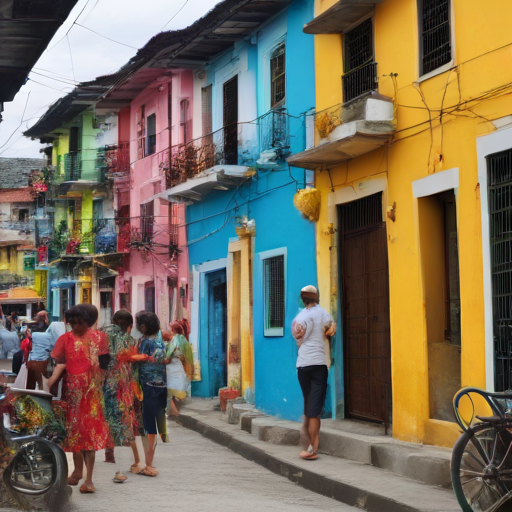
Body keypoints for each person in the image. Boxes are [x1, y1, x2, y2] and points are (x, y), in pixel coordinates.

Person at [48, 305, 110, 494]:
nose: (74, 325)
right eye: (72, 321)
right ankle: (77, 472)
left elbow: (106, 364)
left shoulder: (101, 338)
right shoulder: (64, 339)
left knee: (89, 436)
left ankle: (89, 480)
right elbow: (57, 360)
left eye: (79, 322)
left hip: (92, 395)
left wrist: (98, 385)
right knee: (75, 433)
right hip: (73, 394)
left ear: (89, 322)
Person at [292, 285, 336, 461]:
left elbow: (297, 339)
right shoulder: (323, 314)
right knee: (314, 409)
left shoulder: (299, 318)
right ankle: (312, 448)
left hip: (303, 365)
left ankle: (308, 437)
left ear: (303, 300)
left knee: (309, 401)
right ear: (316, 298)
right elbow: (331, 329)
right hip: (318, 364)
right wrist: (326, 333)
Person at [102, 310, 142, 475]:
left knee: (107, 416)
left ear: (113, 320)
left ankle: (109, 452)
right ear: (130, 325)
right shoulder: (129, 340)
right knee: (126, 417)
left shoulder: (102, 335)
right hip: (122, 384)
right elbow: (132, 362)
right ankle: (137, 459)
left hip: (104, 381)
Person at [136, 311, 168, 477]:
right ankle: (148, 462)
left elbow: (147, 358)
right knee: (153, 423)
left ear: (143, 326)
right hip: (160, 385)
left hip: (149, 385)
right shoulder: (160, 338)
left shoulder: (147, 341)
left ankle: (149, 464)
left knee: (149, 425)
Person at [163, 319, 193, 418]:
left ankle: (174, 411)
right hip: (180, 367)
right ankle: (174, 411)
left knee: (170, 389)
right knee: (177, 387)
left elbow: (169, 356)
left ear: (173, 330)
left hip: (173, 367)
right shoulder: (184, 340)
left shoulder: (175, 340)